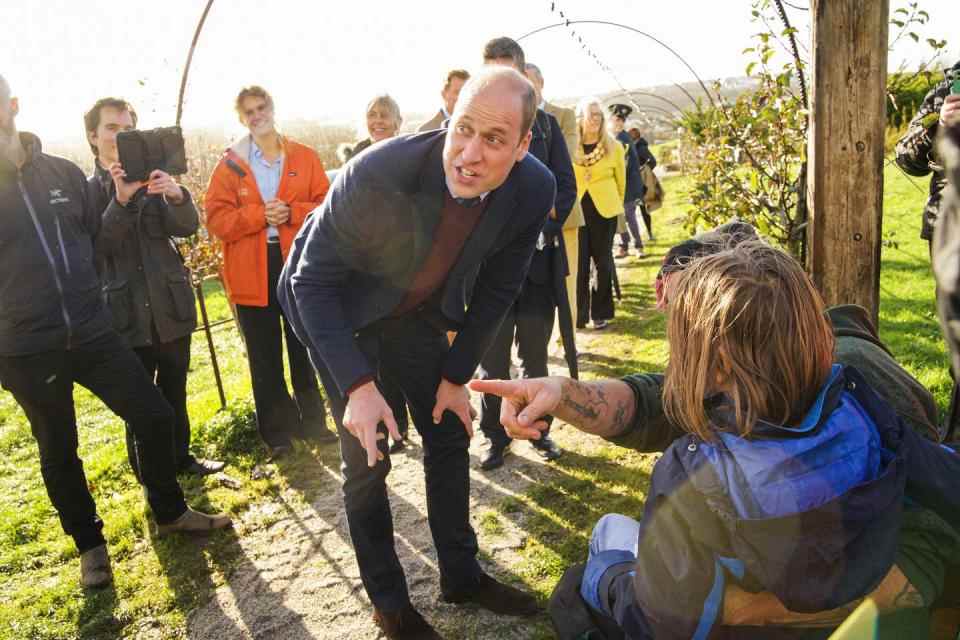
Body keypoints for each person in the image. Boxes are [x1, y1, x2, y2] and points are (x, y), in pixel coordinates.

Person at [473, 231, 960, 638]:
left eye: (683, 333)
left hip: (755, 615)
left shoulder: (694, 471)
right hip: (831, 589)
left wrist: (612, 580)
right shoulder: (855, 401)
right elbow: (942, 478)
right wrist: (559, 391)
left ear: (720, 363)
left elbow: (663, 617)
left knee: (600, 550)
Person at [278, 67, 554, 639]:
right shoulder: (379, 172)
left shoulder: (534, 188)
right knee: (368, 453)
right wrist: (358, 387)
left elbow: (500, 288)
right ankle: (391, 606)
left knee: (449, 428)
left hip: (413, 310)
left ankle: (461, 575)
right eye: (463, 130)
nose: (470, 154)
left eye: (495, 139)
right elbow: (311, 285)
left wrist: (457, 377)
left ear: (524, 145)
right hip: (337, 308)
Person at [0, 74, 230, 590]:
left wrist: (124, 199)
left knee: (154, 413)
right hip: (27, 347)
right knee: (59, 449)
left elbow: (101, 242)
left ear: (13, 104)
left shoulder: (60, 174)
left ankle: (169, 510)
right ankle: (91, 547)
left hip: (90, 330)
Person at [85, 97, 224, 478]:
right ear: (93, 137)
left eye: (127, 127)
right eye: (112, 128)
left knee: (175, 387)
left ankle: (181, 459)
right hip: (125, 313)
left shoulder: (151, 175)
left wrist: (176, 195)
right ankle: (151, 476)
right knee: (139, 401)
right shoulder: (88, 191)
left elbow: (185, 227)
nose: (120, 135)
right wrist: (121, 200)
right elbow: (96, 250)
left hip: (168, 304)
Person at [204, 85, 335, 458]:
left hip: (296, 263)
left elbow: (327, 205)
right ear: (241, 118)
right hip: (251, 267)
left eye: (261, 107)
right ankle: (278, 436)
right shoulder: (229, 164)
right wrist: (259, 215)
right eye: (249, 112)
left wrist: (292, 213)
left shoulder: (305, 156)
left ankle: (316, 425)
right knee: (264, 355)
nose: (257, 115)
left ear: (272, 109)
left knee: (303, 344)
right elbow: (216, 218)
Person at [476, 39, 577, 471]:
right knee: (491, 360)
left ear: (522, 77)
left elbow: (565, 188)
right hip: (489, 271)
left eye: (508, 72)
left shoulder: (548, 127)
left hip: (536, 267)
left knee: (534, 357)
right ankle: (494, 439)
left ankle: (539, 432)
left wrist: (541, 225)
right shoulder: (475, 129)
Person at [338, 94, 411, 453]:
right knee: (380, 356)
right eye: (372, 115)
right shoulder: (354, 159)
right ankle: (396, 426)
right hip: (366, 270)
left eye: (385, 115)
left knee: (409, 348)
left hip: (405, 266)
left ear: (398, 122)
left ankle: (427, 419)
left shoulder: (410, 155)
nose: (378, 120)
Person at [526, 62, 584, 332]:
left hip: (563, 213)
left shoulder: (561, 116)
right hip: (534, 218)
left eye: (530, 81)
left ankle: (568, 333)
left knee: (565, 282)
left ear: (541, 84)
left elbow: (566, 157)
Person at [573, 97, 626, 330]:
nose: (595, 119)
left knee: (603, 262)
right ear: (581, 118)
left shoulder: (614, 146)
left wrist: (615, 205)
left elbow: (621, 182)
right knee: (580, 264)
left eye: (599, 115)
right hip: (577, 212)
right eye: (591, 114)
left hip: (604, 212)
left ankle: (600, 313)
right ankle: (580, 315)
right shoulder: (570, 145)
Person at [608, 104, 646, 259]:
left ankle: (638, 246)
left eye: (621, 121)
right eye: (616, 120)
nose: (619, 123)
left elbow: (624, 165)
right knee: (621, 218)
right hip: (619, 184)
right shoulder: (614, 137)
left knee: (629, 217)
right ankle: (624, 246)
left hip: (627, 185)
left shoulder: (623, 138)